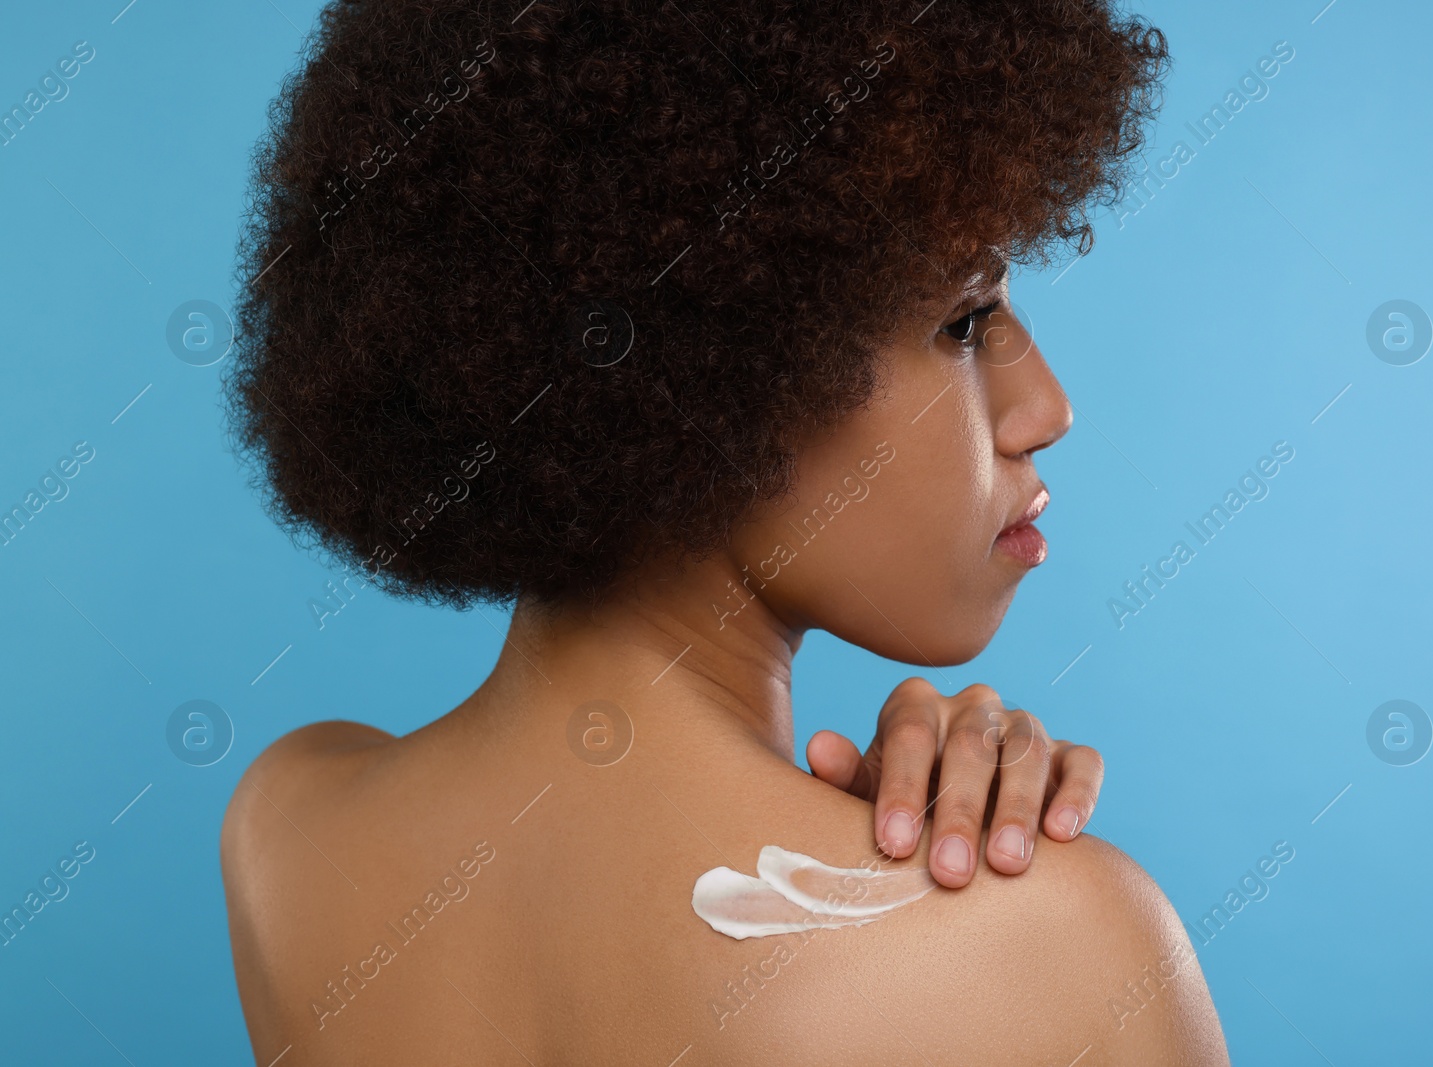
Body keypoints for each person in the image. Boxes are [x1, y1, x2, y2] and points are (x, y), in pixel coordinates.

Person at [220, 0, 1229, 1061]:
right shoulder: (1064, 946)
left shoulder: (286, 825)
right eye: (963, 322)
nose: (1046, 407)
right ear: (718, 360)